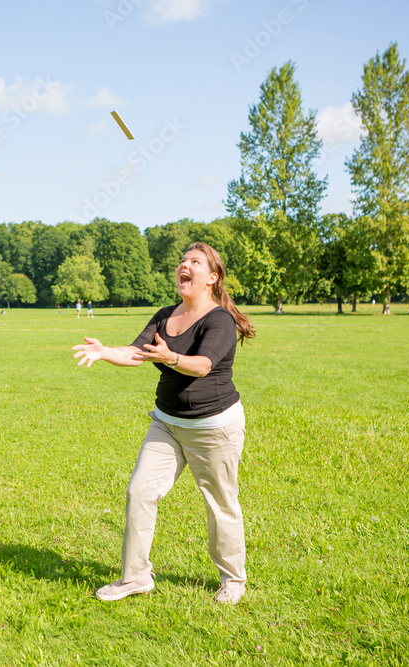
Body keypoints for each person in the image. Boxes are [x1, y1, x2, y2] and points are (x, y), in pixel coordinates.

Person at [72, 242, 256, 605]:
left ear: (211, 278)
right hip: (167, 424)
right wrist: (105, 351)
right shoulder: (165, 314)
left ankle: (233, 579)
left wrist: (171, 356)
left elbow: (202, 366)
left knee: (220, 503)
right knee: (140, 491)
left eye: (195, 262)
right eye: (182, 261)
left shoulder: (218, 319)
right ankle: (135, 577)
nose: (184, 266)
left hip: (213, 427)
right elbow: (136, 352)